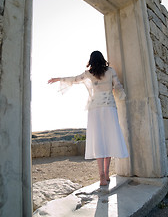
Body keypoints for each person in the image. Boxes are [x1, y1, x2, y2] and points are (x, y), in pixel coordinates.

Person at [48, 50, 128, 186]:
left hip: (94, 109)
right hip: (109, 107)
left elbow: (74, 79)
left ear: (91, 61)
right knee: (108, 139)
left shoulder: (88, 74)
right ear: (103, 59)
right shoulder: (111, 71)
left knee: (98, 140)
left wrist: (59, 79)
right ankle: (107, 173)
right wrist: (121, 96)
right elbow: (118, 86)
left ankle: (101, 176)